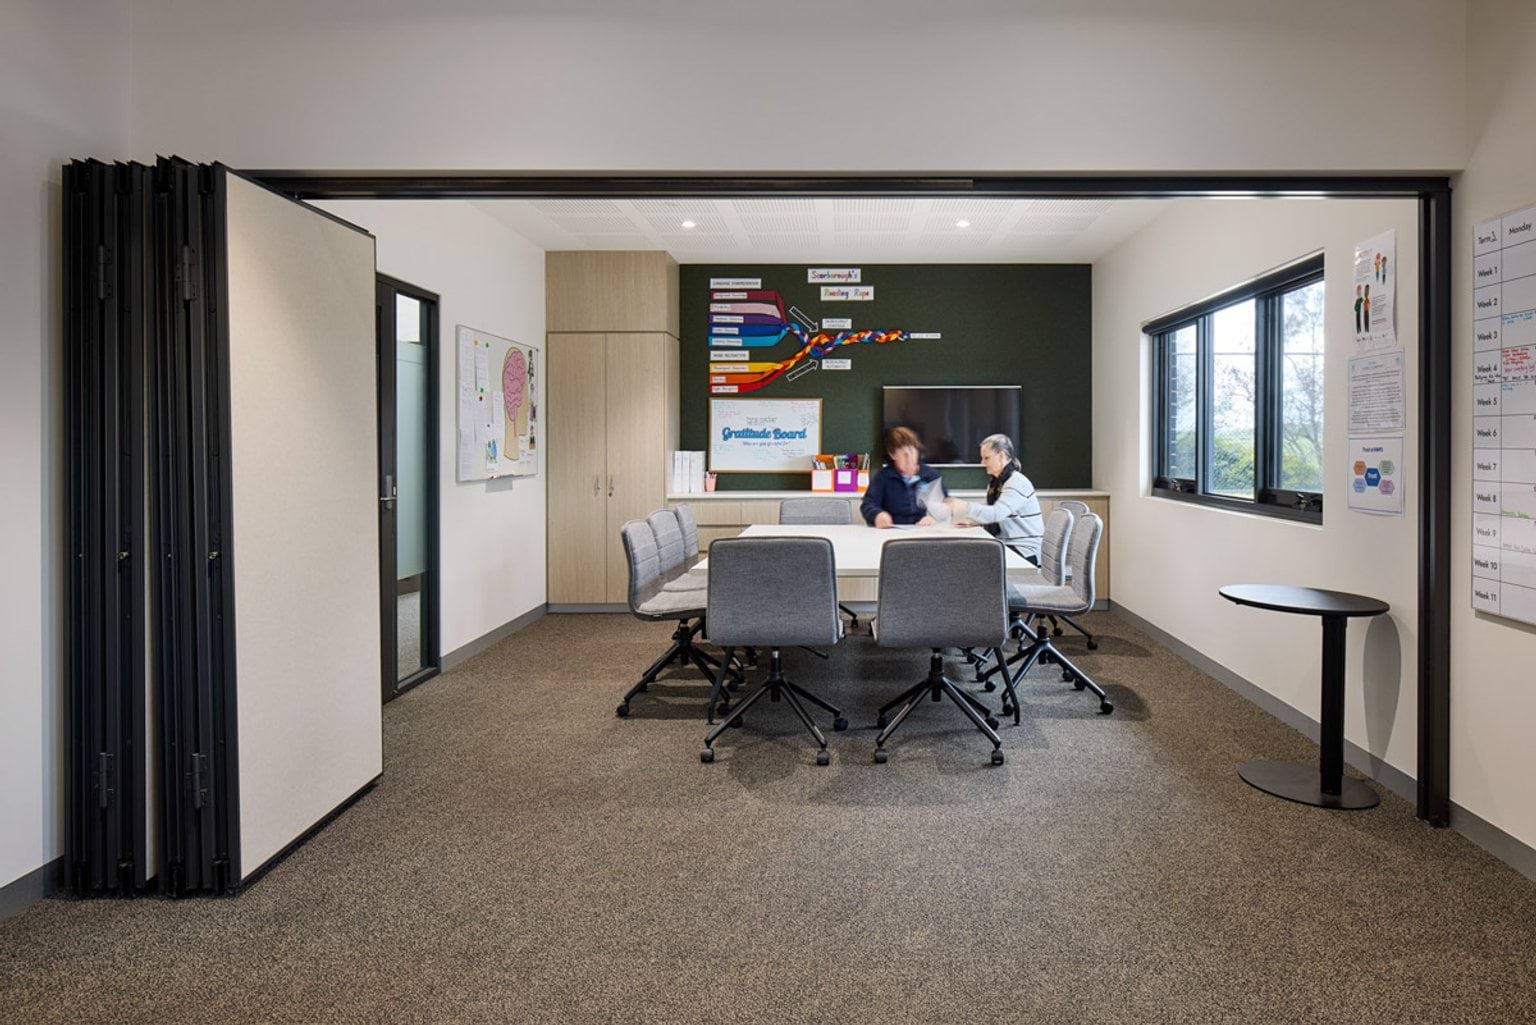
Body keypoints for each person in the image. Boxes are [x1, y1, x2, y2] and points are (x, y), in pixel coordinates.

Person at [944, 433, 1044, 565]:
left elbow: (996, 514)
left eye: (986, 458)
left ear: (1001, 456)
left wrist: (964, 506)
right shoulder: (996, 483)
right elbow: (990, 513)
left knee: (971, 562)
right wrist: (974, 521)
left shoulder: (1016, 482)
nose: (982, 463)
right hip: (1007, 544)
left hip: (1025, 550)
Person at [860, 426, 944, 527]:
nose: (910, 459)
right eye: (904, 454)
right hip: (892, 532)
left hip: (924, 532)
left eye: (912, 452)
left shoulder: (931, 475)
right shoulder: (883, 477)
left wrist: (933, 518)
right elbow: (868, 505)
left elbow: (944, 505)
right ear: (892, 454)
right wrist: (877, 515)